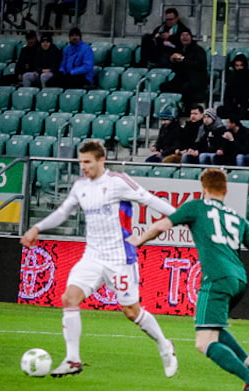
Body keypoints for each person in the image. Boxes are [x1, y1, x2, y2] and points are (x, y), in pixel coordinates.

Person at [19, 141, 178, 378]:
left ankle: (165, 346)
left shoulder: (117, 181)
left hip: (120, 258)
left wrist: (182, 215)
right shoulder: (80, 186)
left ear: (101, 160)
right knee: (70, 298)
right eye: (80, 162)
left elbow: (150, 200)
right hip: (92, 257)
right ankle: (73, 360)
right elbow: (63, 212)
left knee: (132, 312)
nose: (83, 167)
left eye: (87, 162)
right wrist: (37, 227)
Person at [129, 168, 249, 391]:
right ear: (226, 190)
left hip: (217, 279)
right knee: (211, 325)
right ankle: (248, 362)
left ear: (204, 189)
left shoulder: (196, 207)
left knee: (203, 342)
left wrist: (138, 240)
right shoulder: (237, 218)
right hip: (240, 279)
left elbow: (161, 226)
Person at [159, 30, 208, 110]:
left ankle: (186, 110)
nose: (184, 37)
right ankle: (169, 109)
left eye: (187, 35)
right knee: (164, 86)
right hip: (181, 78)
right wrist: (173, 61)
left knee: (186, 87)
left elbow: (199, 65)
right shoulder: (179, 49)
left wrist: (182, 59)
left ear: (191, 37)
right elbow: (176, 69)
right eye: (182, 35)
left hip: (195, 79)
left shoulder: (198, 50)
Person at [219, 53, 249, 118]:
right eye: (237, 65)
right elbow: (228, 93)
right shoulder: (231, 76)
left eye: (241, 65)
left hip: (246, 102)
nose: (239, 68)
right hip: (233, 103)